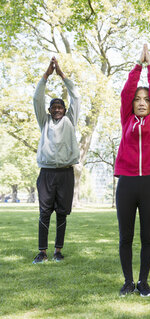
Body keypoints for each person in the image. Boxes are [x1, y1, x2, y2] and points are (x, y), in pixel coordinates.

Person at [114, 44, 150, 297]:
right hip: (126, 183)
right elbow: (126, 92)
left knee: (148, 236)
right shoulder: (126, 118)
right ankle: (127, 282)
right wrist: (138, 66)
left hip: (149, 184)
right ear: (132, 104)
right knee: (126, 237)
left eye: (146, 99)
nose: (142, 102)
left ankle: (143, 283)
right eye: (138, 99)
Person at [32, 57, 80, 264]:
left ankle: (58, 251)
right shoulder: (44, 122)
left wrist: (61, 75)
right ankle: (42, 252)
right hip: (47, 173)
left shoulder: (70, 120)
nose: (58, 109)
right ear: (50, 110)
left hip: (66, 173)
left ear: (65, 109)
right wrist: (46, 75)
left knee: (62, 214)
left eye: (61, 106)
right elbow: (37, 98)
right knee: (44, 213)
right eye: (54, 107)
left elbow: (76, 97)